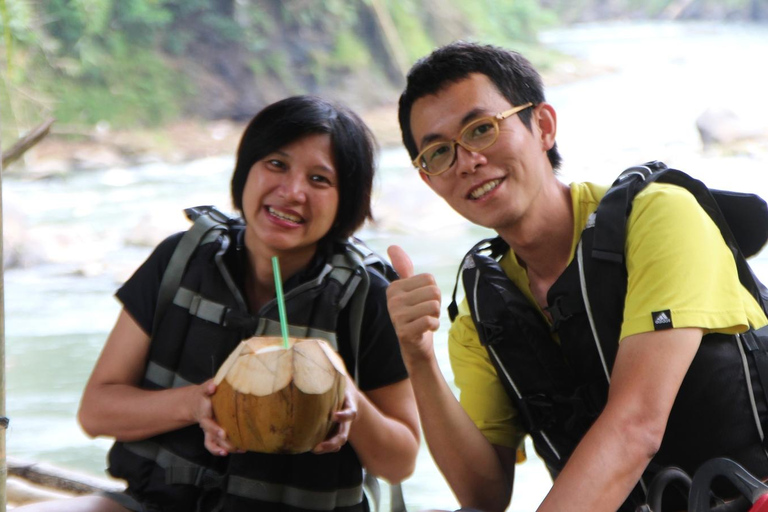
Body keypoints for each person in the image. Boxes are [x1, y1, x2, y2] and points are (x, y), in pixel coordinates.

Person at [385, 41, 768, 512]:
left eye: (482, 129)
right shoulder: (483, 312)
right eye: (439, 153)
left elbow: (636, 426)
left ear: (543, 126)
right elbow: (483, 494)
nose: (466, 161)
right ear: (428, 180)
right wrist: (419, 356)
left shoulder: (658, 218)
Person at [20, 95, 420, 512]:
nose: (292, 192)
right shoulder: (181, 259)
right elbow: (97, 411)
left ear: (346, 201)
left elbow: (400, 462)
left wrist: (346, 397)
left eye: (320, 180)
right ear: (245, 171)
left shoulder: (364, 295)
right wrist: (195, 405)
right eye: (276, 164)